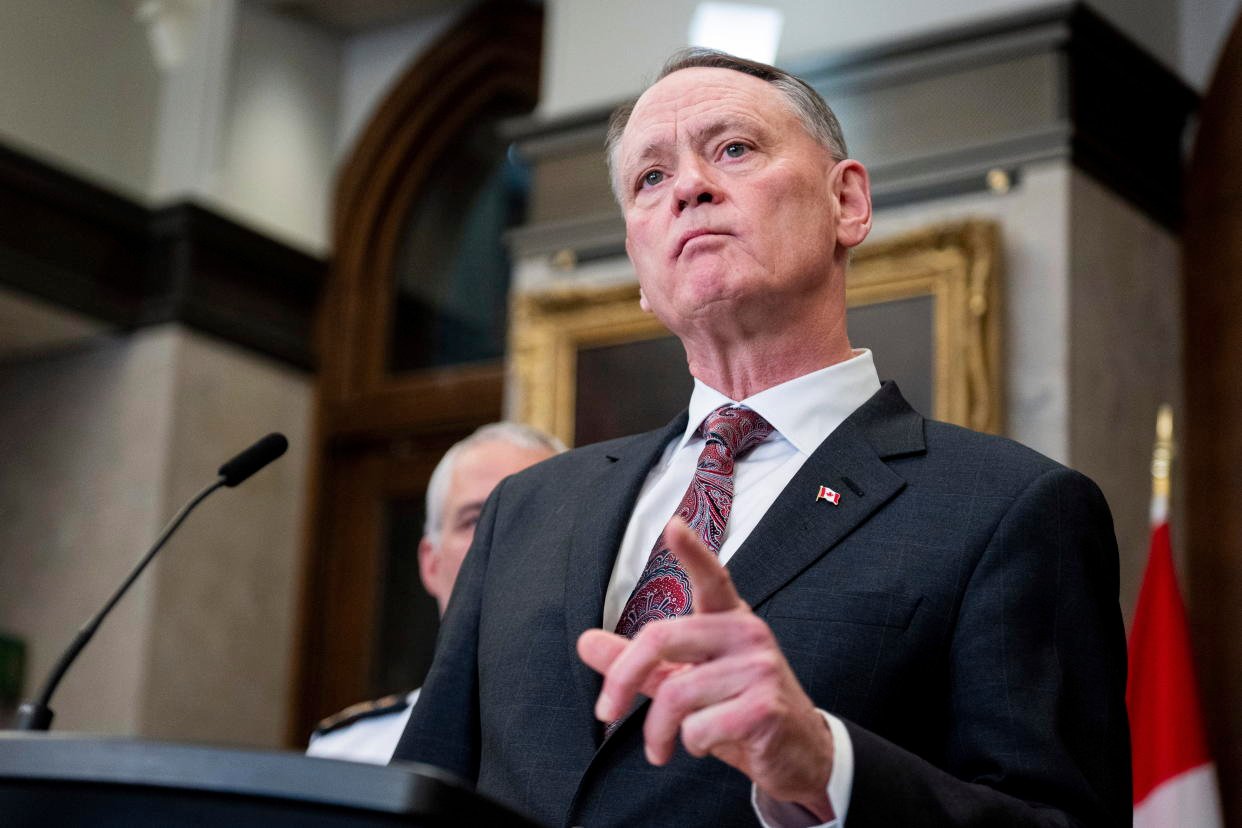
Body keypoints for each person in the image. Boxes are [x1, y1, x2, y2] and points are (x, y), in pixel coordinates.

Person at [393, 49, 1130, 827]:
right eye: (651, 177)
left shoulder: (1010, 510)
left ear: (847, 201)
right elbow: (416, 796)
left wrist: (826, 768)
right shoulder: (526, 510)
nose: (689, 187)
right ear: (639, 266)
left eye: (734, 149)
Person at [306, 422, 564, 764]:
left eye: (533, 518)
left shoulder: (617, 749)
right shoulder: (345, 755)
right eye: (475, 520)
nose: (499, 538)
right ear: (431, 563)